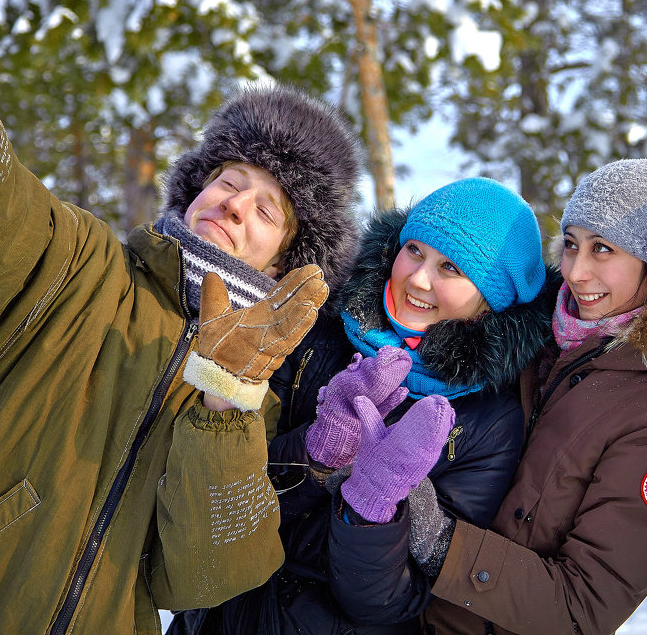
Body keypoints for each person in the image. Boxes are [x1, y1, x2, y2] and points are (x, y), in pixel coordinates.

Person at [0, 0, 363, 635]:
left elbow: (202, 575)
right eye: (229, 180)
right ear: (195, 187)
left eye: (268, 209)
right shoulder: (77, 265)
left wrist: (225, 407)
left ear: (284, 262)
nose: (236, 203)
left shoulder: (251, 393)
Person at [169, 176, 556, 634]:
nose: (417, 278)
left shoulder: (490, 420)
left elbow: (391, 606)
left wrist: (371, 508)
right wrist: (317, 453)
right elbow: (224, 496)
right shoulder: (321, 326)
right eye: (414, 249)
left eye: (451, 268)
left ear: (493, 302)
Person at [414, 159, 647, 635]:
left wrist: (440, 544)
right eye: (572, 244)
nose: (576, 271)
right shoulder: (532, 340)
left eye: (603, 250)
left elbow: (585, 608)